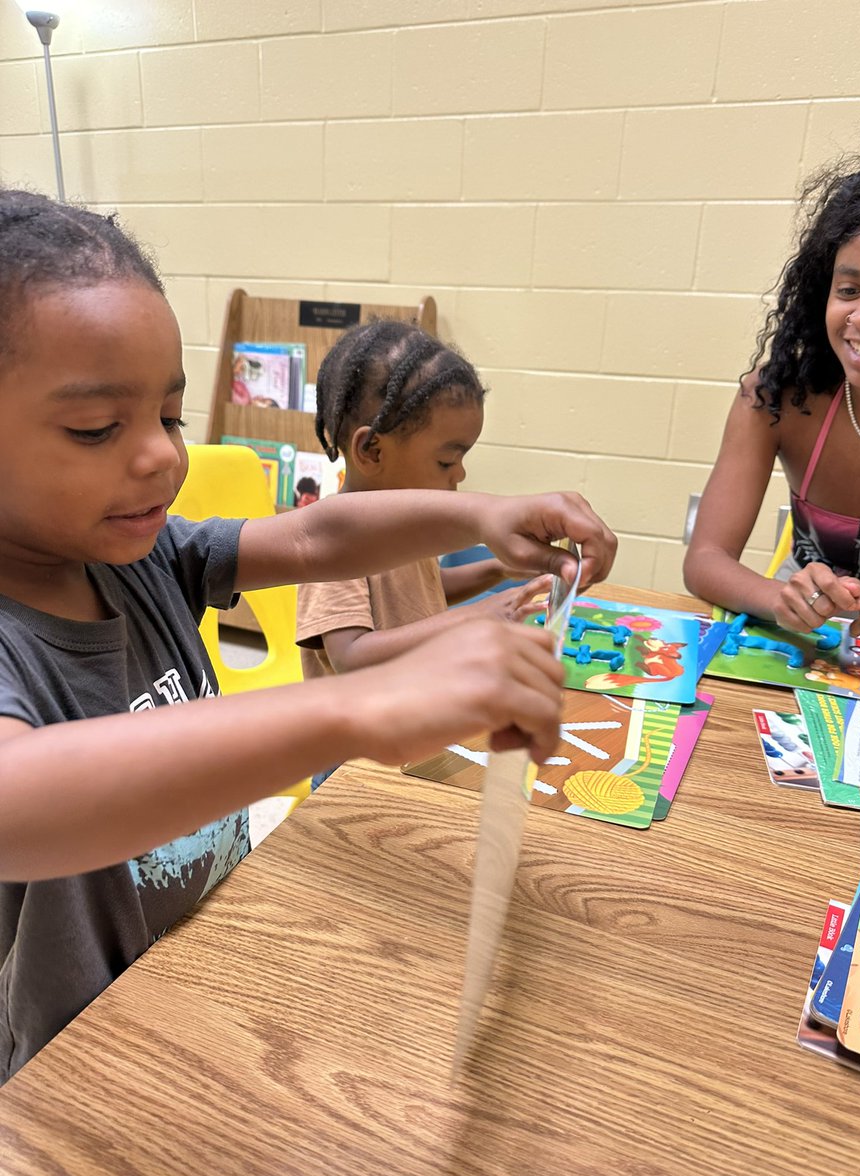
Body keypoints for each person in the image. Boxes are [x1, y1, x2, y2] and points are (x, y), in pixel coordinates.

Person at [0, 189, 618, 1085]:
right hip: (80, 1071)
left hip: (202, 984)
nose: (164, 457)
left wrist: (480, 512)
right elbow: (21, 802)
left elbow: (318, 536)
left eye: (169, 416)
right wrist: (354, 705)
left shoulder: (139, 556)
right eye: (99, 428)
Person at [297, 321, 555, 787]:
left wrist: (498, 570)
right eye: (445, 460)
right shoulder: (333, 545)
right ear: (371, 449)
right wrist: (478, 619)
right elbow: (352, 657)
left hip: (410, 740)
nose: (459, 474)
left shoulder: (406, 532)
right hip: (353, 769)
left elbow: (422, 596)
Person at [684, 130, 860, 674]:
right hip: (806, 651)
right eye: (849, 289)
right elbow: (706, 561)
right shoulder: (778, 398)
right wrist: (779, 599)